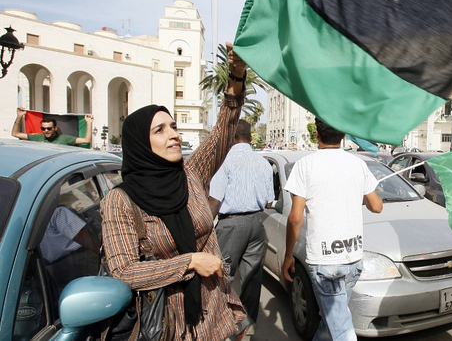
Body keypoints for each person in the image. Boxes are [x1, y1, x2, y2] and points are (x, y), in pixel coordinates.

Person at [100, 42, 249, 341]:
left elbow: (223, 130)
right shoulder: (120, 201)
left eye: (174, 127)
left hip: (216, 317)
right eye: (160, 130)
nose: (175, 135)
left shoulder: (190, 175)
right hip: (168, 325)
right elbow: (124, 270)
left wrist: (236, 75)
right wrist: (189, 261)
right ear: (140, 144)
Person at [282, 118, 383, 341]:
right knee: (334, 322)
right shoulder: (358, 164)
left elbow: (296, 218)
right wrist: (360, 195)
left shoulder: (305, 165)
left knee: (340, 330)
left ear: (316, 133)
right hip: (353, 259)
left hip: (326, 261)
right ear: (344, 136)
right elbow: (377, 206)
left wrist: (288, 255)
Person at [208, 119, 274, 329]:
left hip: (231, 227)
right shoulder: (262, 162)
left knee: (223, 273)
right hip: (256, 225)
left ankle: (221, 320)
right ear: (250, 138)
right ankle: (246, 324)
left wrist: (203, 230)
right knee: (252, 277)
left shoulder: (225, 162)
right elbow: (269, 201)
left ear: (231, 139)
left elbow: (215, 201)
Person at [12, 108, 94, 146]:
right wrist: (19, 116)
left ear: (55, 128)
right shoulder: (38, 137)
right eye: (43, 129)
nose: (46, 131)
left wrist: (89, 123)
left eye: (49, 128)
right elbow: (15, 134)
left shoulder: (65, 139)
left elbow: (86, 140)